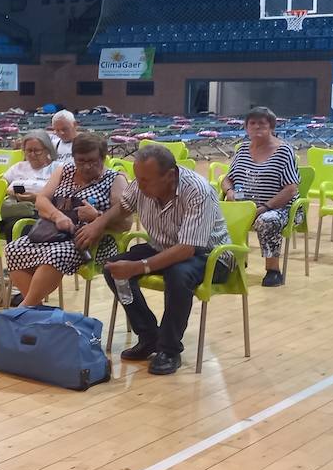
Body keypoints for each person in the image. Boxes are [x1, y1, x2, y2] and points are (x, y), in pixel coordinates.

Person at [94, 144, 232, 376]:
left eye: (146, 180)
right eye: (137, 178)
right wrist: (98, 223)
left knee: (177, 274)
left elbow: (187, 249)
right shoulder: (142, 185)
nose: (139, 185)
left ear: (169, 175)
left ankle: (169, 350)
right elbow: (124, 206)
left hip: (210, 256)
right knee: (113, 270)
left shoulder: (198, 191)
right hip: (165, 247)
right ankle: (149, 336)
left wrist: (139, 266)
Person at [6, 131, 127, 307]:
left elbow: (126, 224)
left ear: (103, 157)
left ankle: (25, 309)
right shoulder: (64, 170)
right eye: (80, 161)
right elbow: (41, 200)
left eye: (92, 161)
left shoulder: (115, 180)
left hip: (91, 242)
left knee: (54, 256)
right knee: (13, 249)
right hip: (54, 233)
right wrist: (58, 215)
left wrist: (97, 217)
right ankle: (36, 309)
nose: (86, 167)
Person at [219, 106, 299, 287]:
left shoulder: (283, 151)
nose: (257, 127)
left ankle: (273, 270)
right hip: (244, 207)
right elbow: (227, 180)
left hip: (279, 208)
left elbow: (290, 189)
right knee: (216, 216)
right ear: (246, 128)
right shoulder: (242, 151)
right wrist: (230, 192)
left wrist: (263, 208)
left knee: (267, 221)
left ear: (271, 126)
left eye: (262, 123)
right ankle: (230, 262)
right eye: (252, 123)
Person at [0, 130, 59, 240]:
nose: (32, 154)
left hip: (40, 211)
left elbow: (61, 193)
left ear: (47, 150)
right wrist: (12, 192)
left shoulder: (57, 168)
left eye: (37, 151)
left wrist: (36, 197)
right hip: (13, 207)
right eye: (28, 150)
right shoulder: (18, 167)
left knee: (13, 227)